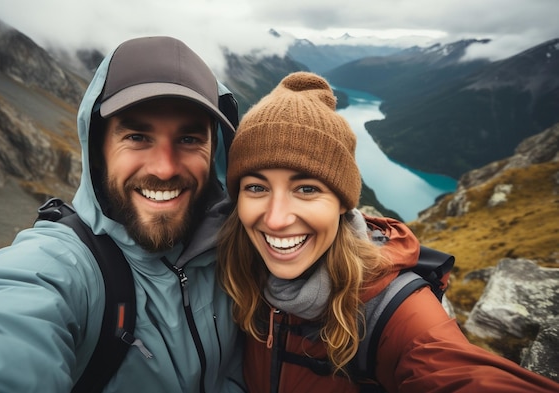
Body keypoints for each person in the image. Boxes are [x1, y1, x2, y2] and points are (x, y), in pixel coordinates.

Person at [0, 36, 245, 392]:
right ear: (98, 150)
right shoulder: (65, 268)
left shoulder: (234, 254)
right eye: (138, 136)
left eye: (189, 139)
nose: (164, 168)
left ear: (215, 152)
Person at [216, 71, 559, 392]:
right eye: (257, 188)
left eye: (306, 189)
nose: (276, 220)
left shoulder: (393, 310)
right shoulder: (232, 269)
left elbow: (455, 373)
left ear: (342, 203)